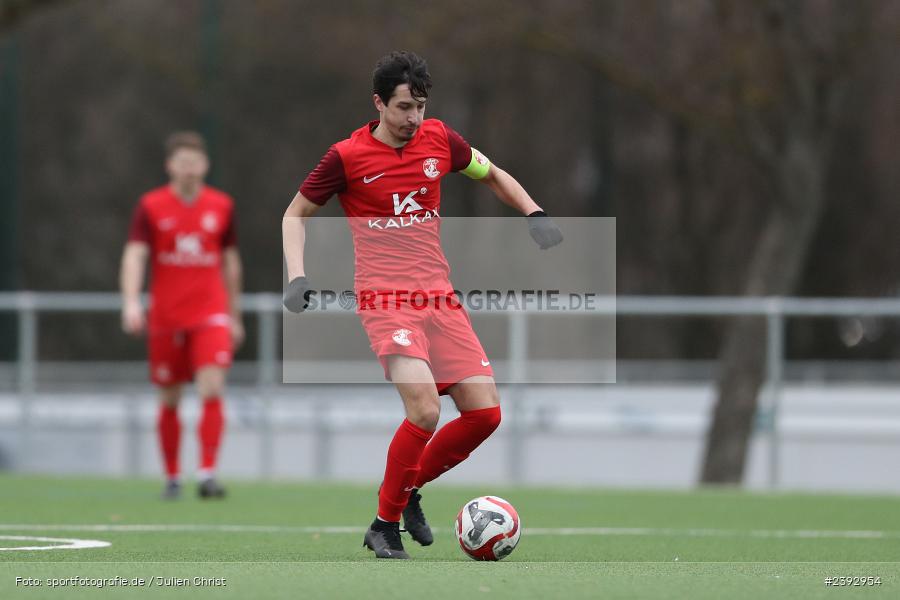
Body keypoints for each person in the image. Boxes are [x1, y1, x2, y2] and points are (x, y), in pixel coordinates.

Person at [282, 51, 562, 559]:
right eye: (405, 107)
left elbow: (493, 173)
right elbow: (295, 214)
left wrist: (533, 212)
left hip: (440, 297)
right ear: (378, 103)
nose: (414, 118)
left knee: (486, 413)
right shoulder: (346, 157)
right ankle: (384, 525)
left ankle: (408, 490)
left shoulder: (439, 139)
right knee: (426, 408)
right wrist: (297, 277)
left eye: (421, 106)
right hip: (386, 301)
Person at [120, 131, 243, 500]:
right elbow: (135, 254)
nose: (190, 169)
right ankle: (173, 477)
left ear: (205, 165)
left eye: (196, 162)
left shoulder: (221, 205)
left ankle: (207, 473)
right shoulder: (151, 205)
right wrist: (130, 301)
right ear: (170, 166)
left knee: (212, 386)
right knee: (170, 398)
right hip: (167, 316)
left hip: (210, 313)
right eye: (182, 162)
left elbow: (230, 262)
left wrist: (233, 315)